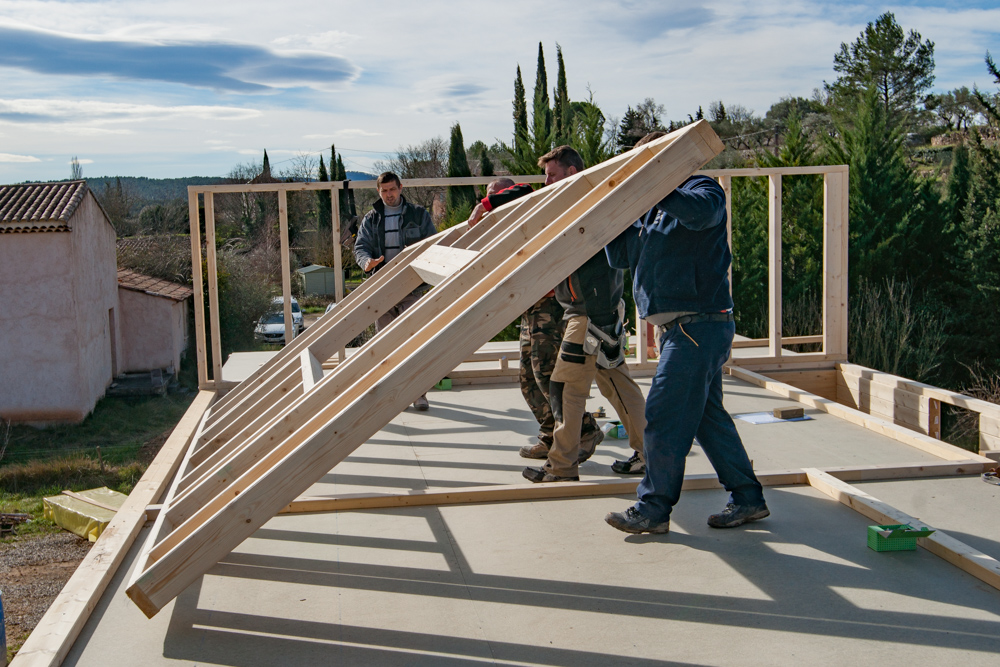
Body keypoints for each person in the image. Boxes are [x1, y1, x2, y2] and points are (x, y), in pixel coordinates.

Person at [603, 133, 768, 533]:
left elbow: (698, 215)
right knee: (707, 420)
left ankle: (653, 509)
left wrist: (651, 189)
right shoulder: (651, 210)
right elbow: (622, 258)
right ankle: (748, 498)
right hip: (681, 330)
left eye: (654, 163)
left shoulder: (701, 189)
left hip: (699, 324)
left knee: (661, 415)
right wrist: (612, 218)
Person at [523, 146, 647, 483]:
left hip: (589, 315)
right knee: (618, 386)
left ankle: (561, 465)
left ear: (572, 172)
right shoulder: (579, 207)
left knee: (565, 389)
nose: (545, 182)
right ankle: (650, 455)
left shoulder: (589, 207)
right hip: (597, 312)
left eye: (551, 175)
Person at [469, 176, 606, 461]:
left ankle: (586, 429)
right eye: (488, 195)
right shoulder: (507, 227)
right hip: (529, 305)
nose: (492, 200)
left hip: (549, 303)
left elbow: (525, 190)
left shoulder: (532, 204)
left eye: (497, 194)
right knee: (527, 378)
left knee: (547, 373)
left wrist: (486, 203)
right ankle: (549, 434)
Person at [354, 171, 437, 410]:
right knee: (385, 344)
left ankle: (418, 393)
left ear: (401, 188)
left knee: (413, 341)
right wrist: (366, 262)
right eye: (384, 191)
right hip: (382, 287)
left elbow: (432, 243)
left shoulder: (418, 214)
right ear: (378, 192)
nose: (389, 195)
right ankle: (391, 394)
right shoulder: (372, 218)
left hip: (411, 285)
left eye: (392, 189)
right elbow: (361, 247)